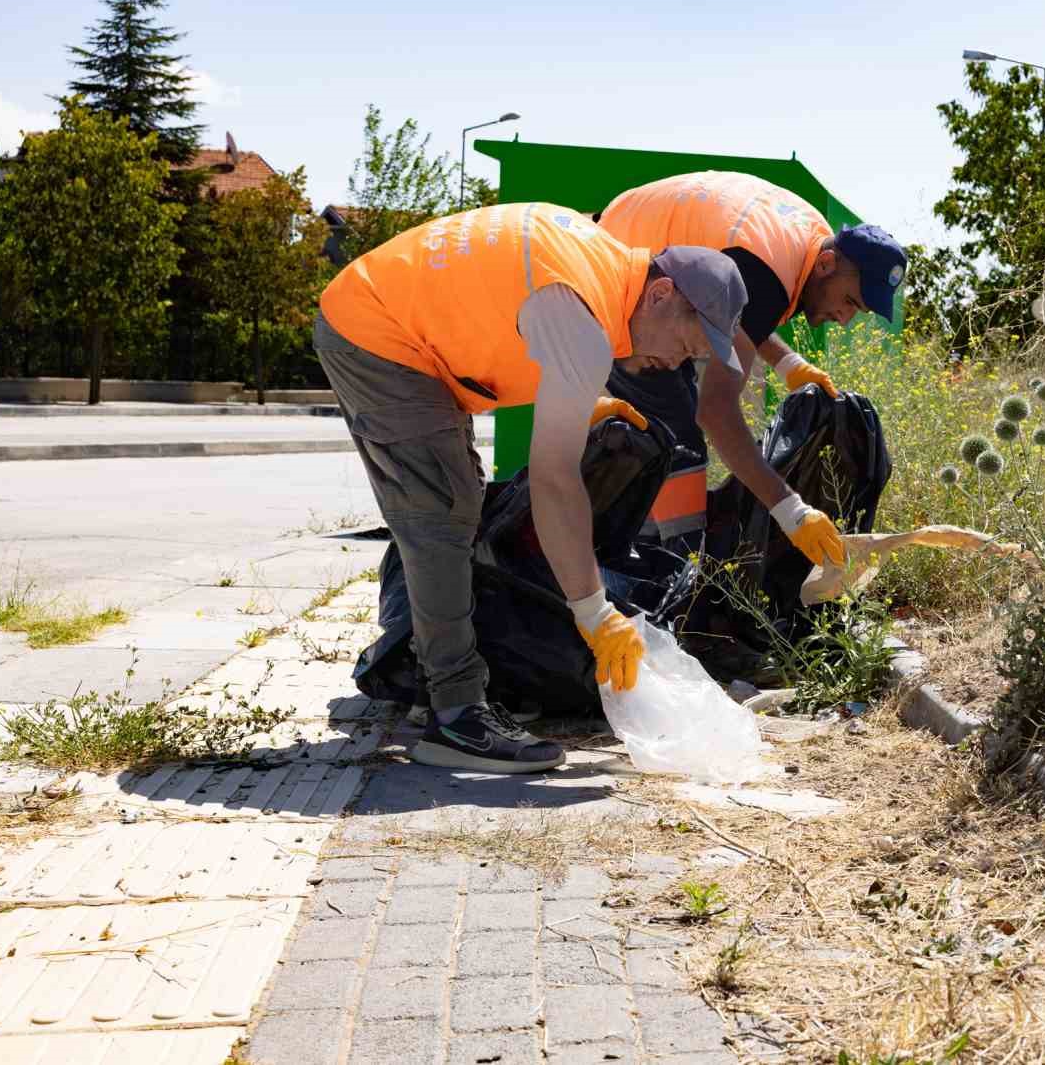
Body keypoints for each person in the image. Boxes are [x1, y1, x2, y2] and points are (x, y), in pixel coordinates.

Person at [315, 202, 748, 773]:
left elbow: (503, 302)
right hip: (378, 332)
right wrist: (596, 614)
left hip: (392, 316)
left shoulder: (603, 267)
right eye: (688, 344)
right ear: (662, 294)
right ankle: (456, 713)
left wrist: (581, 398)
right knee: (441, 511)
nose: (675, 362)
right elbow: (553, 481)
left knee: (457, 499)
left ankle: (437, 666)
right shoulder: (585, 317)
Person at [596, 170, 906, 573]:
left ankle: (646, 564)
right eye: (849, 300)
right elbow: (716, 413)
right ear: (827, 264)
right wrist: (791, 510)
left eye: (857, 311)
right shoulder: (768, 268)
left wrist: (787, 363)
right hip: (619, 272)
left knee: (665, 438)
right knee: (676, 439)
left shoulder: (807, 240)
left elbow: (742, 316)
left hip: (634, 244)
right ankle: (677, 577)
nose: (844, 319)